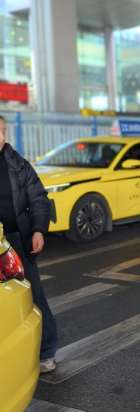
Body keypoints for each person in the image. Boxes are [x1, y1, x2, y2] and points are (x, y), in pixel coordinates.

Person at [0, 116, 59, 373]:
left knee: (32, 295)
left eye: (3, 131)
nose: (2, 138)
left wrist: (38, 230)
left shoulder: (17, 164)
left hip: (14, 240)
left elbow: (38, 198)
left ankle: (46, 352)